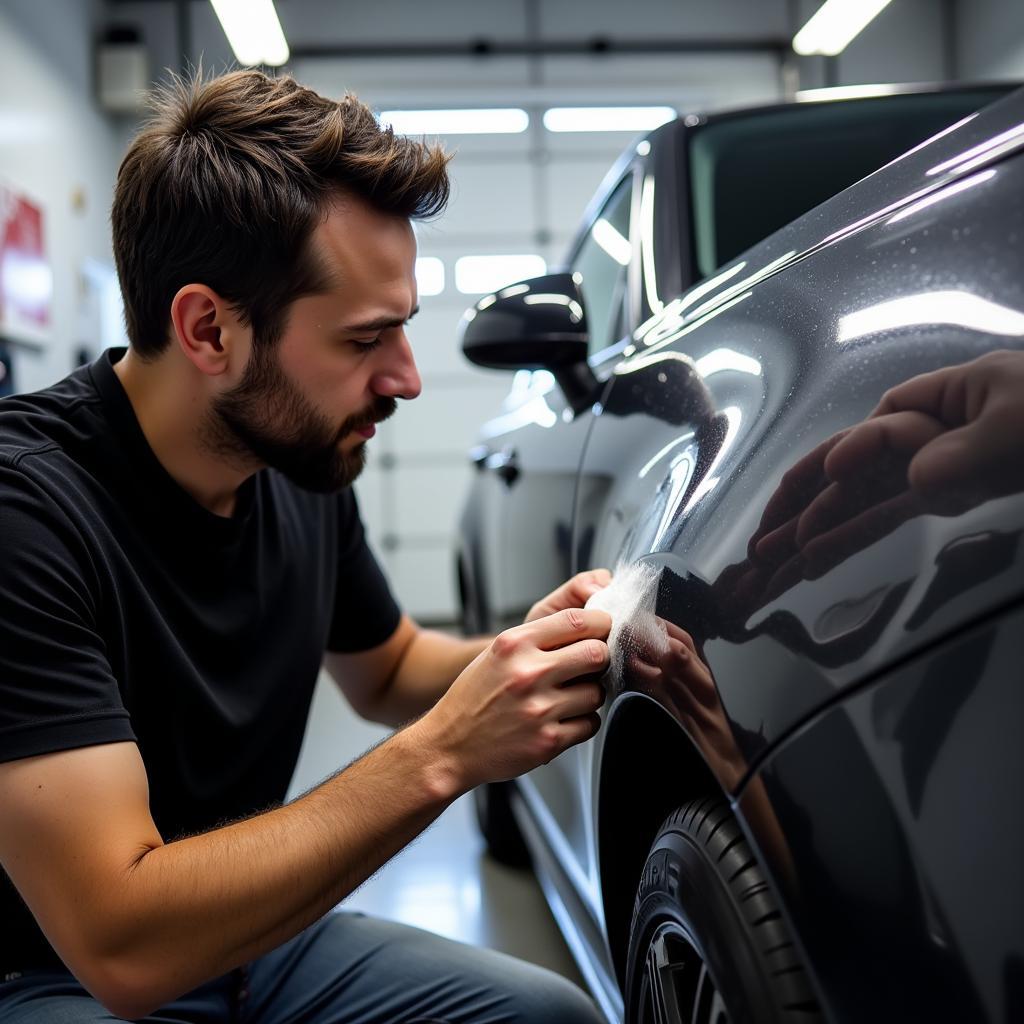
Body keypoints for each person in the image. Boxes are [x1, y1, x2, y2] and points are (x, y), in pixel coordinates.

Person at [0, 70, 613, 1023]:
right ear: (209, 329)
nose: (406, 380)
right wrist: (445, 754)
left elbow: (392, 667)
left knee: (550, 1016)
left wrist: (554, 657)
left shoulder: (293, 457)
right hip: (59, 972)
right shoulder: (25, 516)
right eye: (366, 340)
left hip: (252, 947)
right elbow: (119, 939)